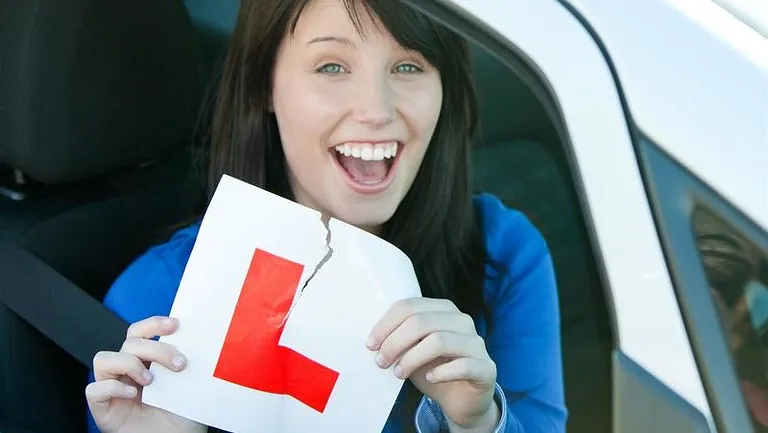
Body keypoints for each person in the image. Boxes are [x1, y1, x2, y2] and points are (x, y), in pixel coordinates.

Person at [84, 0, 567, 432]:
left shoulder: (500, 251)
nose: (376, 110)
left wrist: (480, 425)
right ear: (263, 89)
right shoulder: (156, 303)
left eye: (407, 65)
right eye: (332, 66)